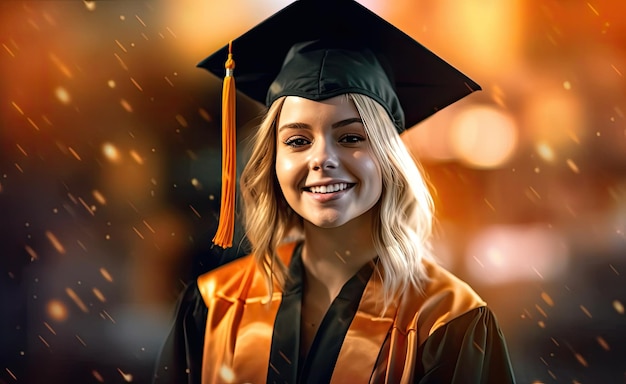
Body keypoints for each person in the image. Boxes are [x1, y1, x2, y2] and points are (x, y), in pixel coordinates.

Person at [152, 0, 517, 383]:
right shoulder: (214, 306)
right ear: (271, 161)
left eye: (351, 137)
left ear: (388, 157)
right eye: (296, 140)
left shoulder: (446, 322)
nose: (322, 158)